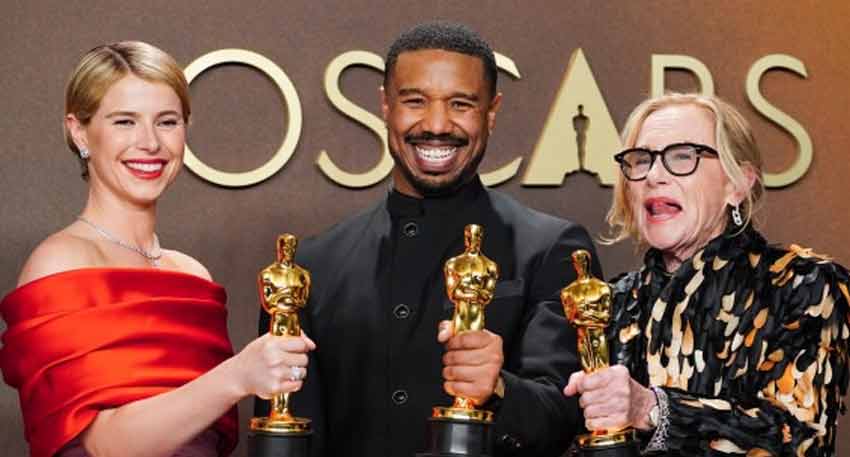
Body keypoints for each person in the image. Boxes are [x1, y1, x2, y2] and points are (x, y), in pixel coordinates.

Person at [257, 21, 601, 457]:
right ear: (385, 105)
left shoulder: (552, 249)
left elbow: (572, 419)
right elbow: (289, 433)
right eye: (414, 101)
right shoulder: (310, 266)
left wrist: (499, 388)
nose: (437, 124)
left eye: (461, 103)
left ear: (491, 111)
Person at [0, 41, 313, 457]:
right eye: (124, 122)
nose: (149, 143)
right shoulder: (60, 264)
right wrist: (237, 376)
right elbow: (106, 444)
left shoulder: (193, 276)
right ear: (79, 132)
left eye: (167, 122)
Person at [563, 93, 850, 456]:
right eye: (641, 160)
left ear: (738, 184)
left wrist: (653, 409)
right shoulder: (611, 304)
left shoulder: (804, 288)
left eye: (682, 156)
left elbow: (798, 438)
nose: (653, 175)